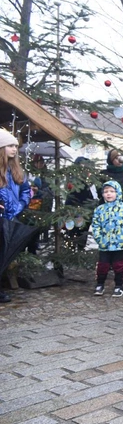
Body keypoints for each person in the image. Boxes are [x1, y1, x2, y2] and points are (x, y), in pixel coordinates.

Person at [90, 181, 123, 297]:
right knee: (103, 265)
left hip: (121, 243)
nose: (109, 194)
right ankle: (100, 284)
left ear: (117, 193)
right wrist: (98, 238)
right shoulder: (100, 209)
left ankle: (119, 286)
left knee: (119, 265)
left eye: (112, 191)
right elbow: (96, 225)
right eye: (106, 191)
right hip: (105, 244)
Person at [0, 129, 31, 303]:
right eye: (10, 145)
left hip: (11, 219)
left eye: (16, 146)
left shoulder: (17, 171)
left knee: (5, 255)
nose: (14, 149)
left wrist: (21, 204)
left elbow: (26, 190)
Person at [64, 157, 99, 251]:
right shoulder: (72, 177)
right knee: (71, 229)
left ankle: (80, 249)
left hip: (86, 208)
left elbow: (93, 193)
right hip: (72, 207)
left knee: (83, 230)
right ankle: (70, 250)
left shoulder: (90, 178)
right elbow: (70, 190)